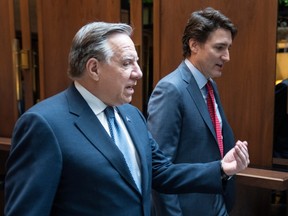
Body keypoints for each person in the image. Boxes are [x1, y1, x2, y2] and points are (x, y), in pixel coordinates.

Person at [4, 21, 249, 216]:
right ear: (94, 68)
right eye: (127, 63)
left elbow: (162, 172)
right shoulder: (43, 124)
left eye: (137, 62)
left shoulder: (131, 115)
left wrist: (220, 169)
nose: (138, 73)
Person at [147, 7, 241, 216]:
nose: (227, 57)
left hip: (218, 202)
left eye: (229, 48)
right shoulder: (171, 90)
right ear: (194, 45)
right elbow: (160, 170)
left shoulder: (210, 86)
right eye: (220, 48)